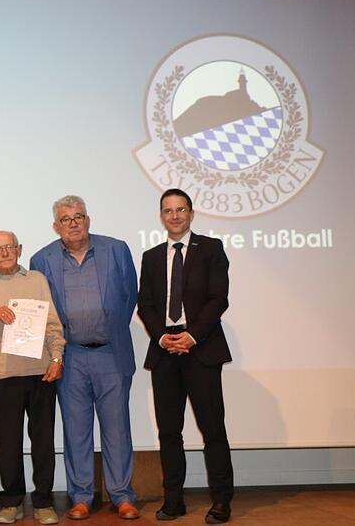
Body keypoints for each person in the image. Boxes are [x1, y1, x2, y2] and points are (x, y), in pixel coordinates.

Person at [29, 196, 140, 521]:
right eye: (66, 219)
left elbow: (129, 295)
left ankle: (122, 495)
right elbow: (44, 311)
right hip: (71, 357)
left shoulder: (116, 249)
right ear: (56, 226)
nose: (74, 223)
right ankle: (81, 497)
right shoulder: (42, 259)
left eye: (79, 216)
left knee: (117, 429)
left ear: (88, 220)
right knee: (75, 430)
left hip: (110, 353)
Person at [138, 188, 234, 524]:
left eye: (181, 209)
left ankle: (221, 501)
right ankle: (173, 501)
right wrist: (164, 337)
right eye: (168, 210)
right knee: (169, 432)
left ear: (191, 214)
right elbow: (145, 304)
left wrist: (192, 336)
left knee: (212, 429)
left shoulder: (210, 249)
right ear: (161, 216)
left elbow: (217, 299)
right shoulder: (151, 256)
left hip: (201, 349)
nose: (174, 216)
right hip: (165, 352)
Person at [0, 231, 65, 525]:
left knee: (43, 441)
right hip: (2, 376)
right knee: (8, 442)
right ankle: (12, 501)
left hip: (40, 374)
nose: (5, 252)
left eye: (10, 246)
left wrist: (57, 358)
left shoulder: (37, 280)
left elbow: (52, 325)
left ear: (19, 249)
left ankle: (44, 501)